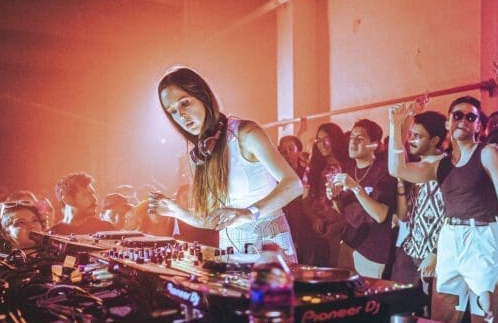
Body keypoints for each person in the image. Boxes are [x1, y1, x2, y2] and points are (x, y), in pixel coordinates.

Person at [389, 96, 498, 323]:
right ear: (449, 123)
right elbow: (398, 169)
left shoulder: (489, 153)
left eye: (471, 117)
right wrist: (396, 125)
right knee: (442, 319)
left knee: (486, 322)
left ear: (479, 126)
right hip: (450, 237)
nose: (463, 120)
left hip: (482, 239)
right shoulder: (442, 164)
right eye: (457, 115)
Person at [149, 67, 302, 261]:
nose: (181, 116)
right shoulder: (199, 154)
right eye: (173, 112)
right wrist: (176, 211)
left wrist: (248, 212)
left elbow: (294, 185)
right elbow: (214, 219)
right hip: (231, 252)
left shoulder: (245, 133)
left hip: (270, 250)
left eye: (185, 103)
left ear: (203, 96)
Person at [332, 119, 397, 278]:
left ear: (374, 145)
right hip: (348, 244)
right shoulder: (347, 168)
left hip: (372, 251)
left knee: (368, 301)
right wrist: (334, 197)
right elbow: (343, 211)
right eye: (352, 137)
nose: (353, 142)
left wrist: (355, 187)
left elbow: (381, 215)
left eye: (360, 138)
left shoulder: (384, 171)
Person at [391, 111, 447, 295]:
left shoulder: (445, 166)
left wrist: (437, 252)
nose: (411, 140)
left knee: (430, 318)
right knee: (399, 311)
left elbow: (452, 215)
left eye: (418, 136)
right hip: (411, 250)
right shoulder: (417, 165)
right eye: (411, 135)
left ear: (434, 140)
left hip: (435, 256)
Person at [300, 123, 349, 266]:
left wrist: (339, 224)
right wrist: (314, 218)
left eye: (326, 139)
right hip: (318, 228)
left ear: (335, 139)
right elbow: (305, 199)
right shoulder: (314, 166)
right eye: (318, 140)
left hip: (344, 228)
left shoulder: (348, 165)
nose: (322, 144)